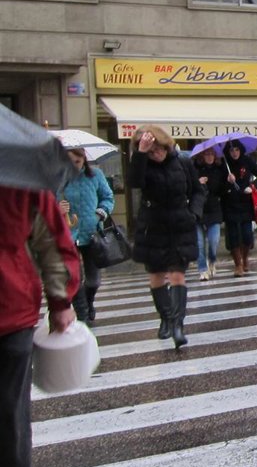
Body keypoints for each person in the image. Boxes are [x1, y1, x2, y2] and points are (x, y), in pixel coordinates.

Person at [0, 187, 80, 467]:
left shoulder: (19, 175)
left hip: (9, 309)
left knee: (9, 414)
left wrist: (60, 299)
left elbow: (50, 237)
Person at [128, 126, 204, 349]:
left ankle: (178, 325)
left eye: (159, 149)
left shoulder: (182, 162)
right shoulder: (143, 164)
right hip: (153, 225)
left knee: (177, 275)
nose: (157, 154)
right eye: (151, 151)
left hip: (180, 224)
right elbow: (134, 182)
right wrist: (141, 154)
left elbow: (198, 191)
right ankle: (166, 318)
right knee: (157, 276)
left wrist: (194, 214)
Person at [58, 147, 114, 325]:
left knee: (94, 280)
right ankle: (82, 313)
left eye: (77, 161)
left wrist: (100, 213)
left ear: (84, 160)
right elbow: (47, 202)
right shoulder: (58, 178)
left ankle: (89, 301)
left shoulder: (95, 175)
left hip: (91, 233)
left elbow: (107, 197)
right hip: (68, 234)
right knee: (73, 277)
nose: (74, 165)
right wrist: (58, 209)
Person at [223, 139, 257, 278]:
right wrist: (227, 181)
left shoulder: (247, 161)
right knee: (233, 235)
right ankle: (238, 264)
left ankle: (245, 258)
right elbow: (218, 185)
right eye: (231, 150)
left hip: (245, 202)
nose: (234, 153)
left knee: (247, 234)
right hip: (230, 203)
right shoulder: (225, 164)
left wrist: (252, 187)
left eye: (236, 150)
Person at [191, 147, 227, 280]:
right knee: (200, 243)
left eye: (212, 154)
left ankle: (212, 260)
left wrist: (229, 181)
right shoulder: (195, 170)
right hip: (198, 209)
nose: (210, 157)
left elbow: (223, 190)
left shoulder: (219, 170)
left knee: (213, 241)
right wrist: (197, 183)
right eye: (207, 154)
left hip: (214, 209)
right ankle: (202, 269)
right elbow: (187, 187)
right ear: (202, 156)